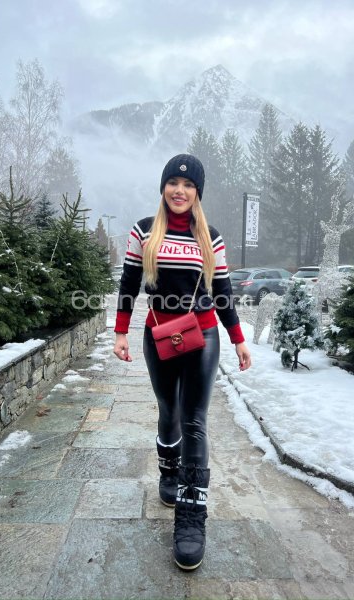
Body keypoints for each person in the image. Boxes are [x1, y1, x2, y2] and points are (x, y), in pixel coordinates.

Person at [113, 153, 251, 570]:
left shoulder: (211, 237)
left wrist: (238, 339)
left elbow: (222, 292)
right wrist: (120, 332)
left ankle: (191, 516)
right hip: (158, 332)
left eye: (189, 185)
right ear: (163, 187)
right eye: (174, 182)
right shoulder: (144, 231)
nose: (180, 190)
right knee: (168, 411)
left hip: (202, 333)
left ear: (198, 192)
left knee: (194, 419)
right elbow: (129, 282)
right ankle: (169, 472)